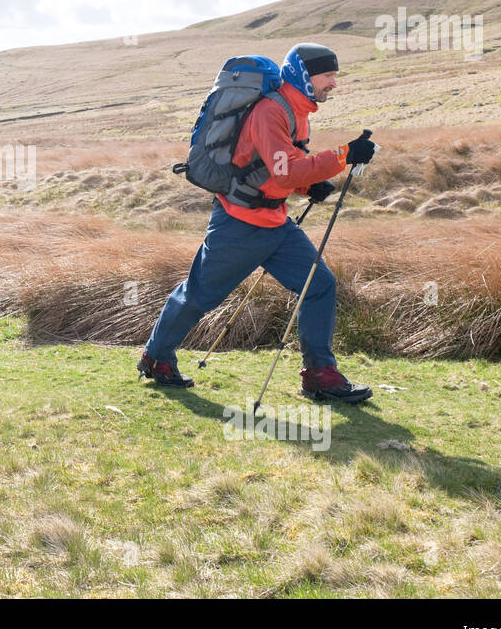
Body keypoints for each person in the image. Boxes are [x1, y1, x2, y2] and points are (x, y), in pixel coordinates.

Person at [137, 43, 376, 403]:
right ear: (304, 75)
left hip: (276, 222)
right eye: (328, 76)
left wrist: (310, 184)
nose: (334, 84)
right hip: (239, 224)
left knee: (320, 285)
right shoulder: (270, 111)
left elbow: (276, 166)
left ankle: (320, 376)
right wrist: (343, 156)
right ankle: (155, 358)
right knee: (200, 295)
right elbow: (283, 171)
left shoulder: (299, 112)